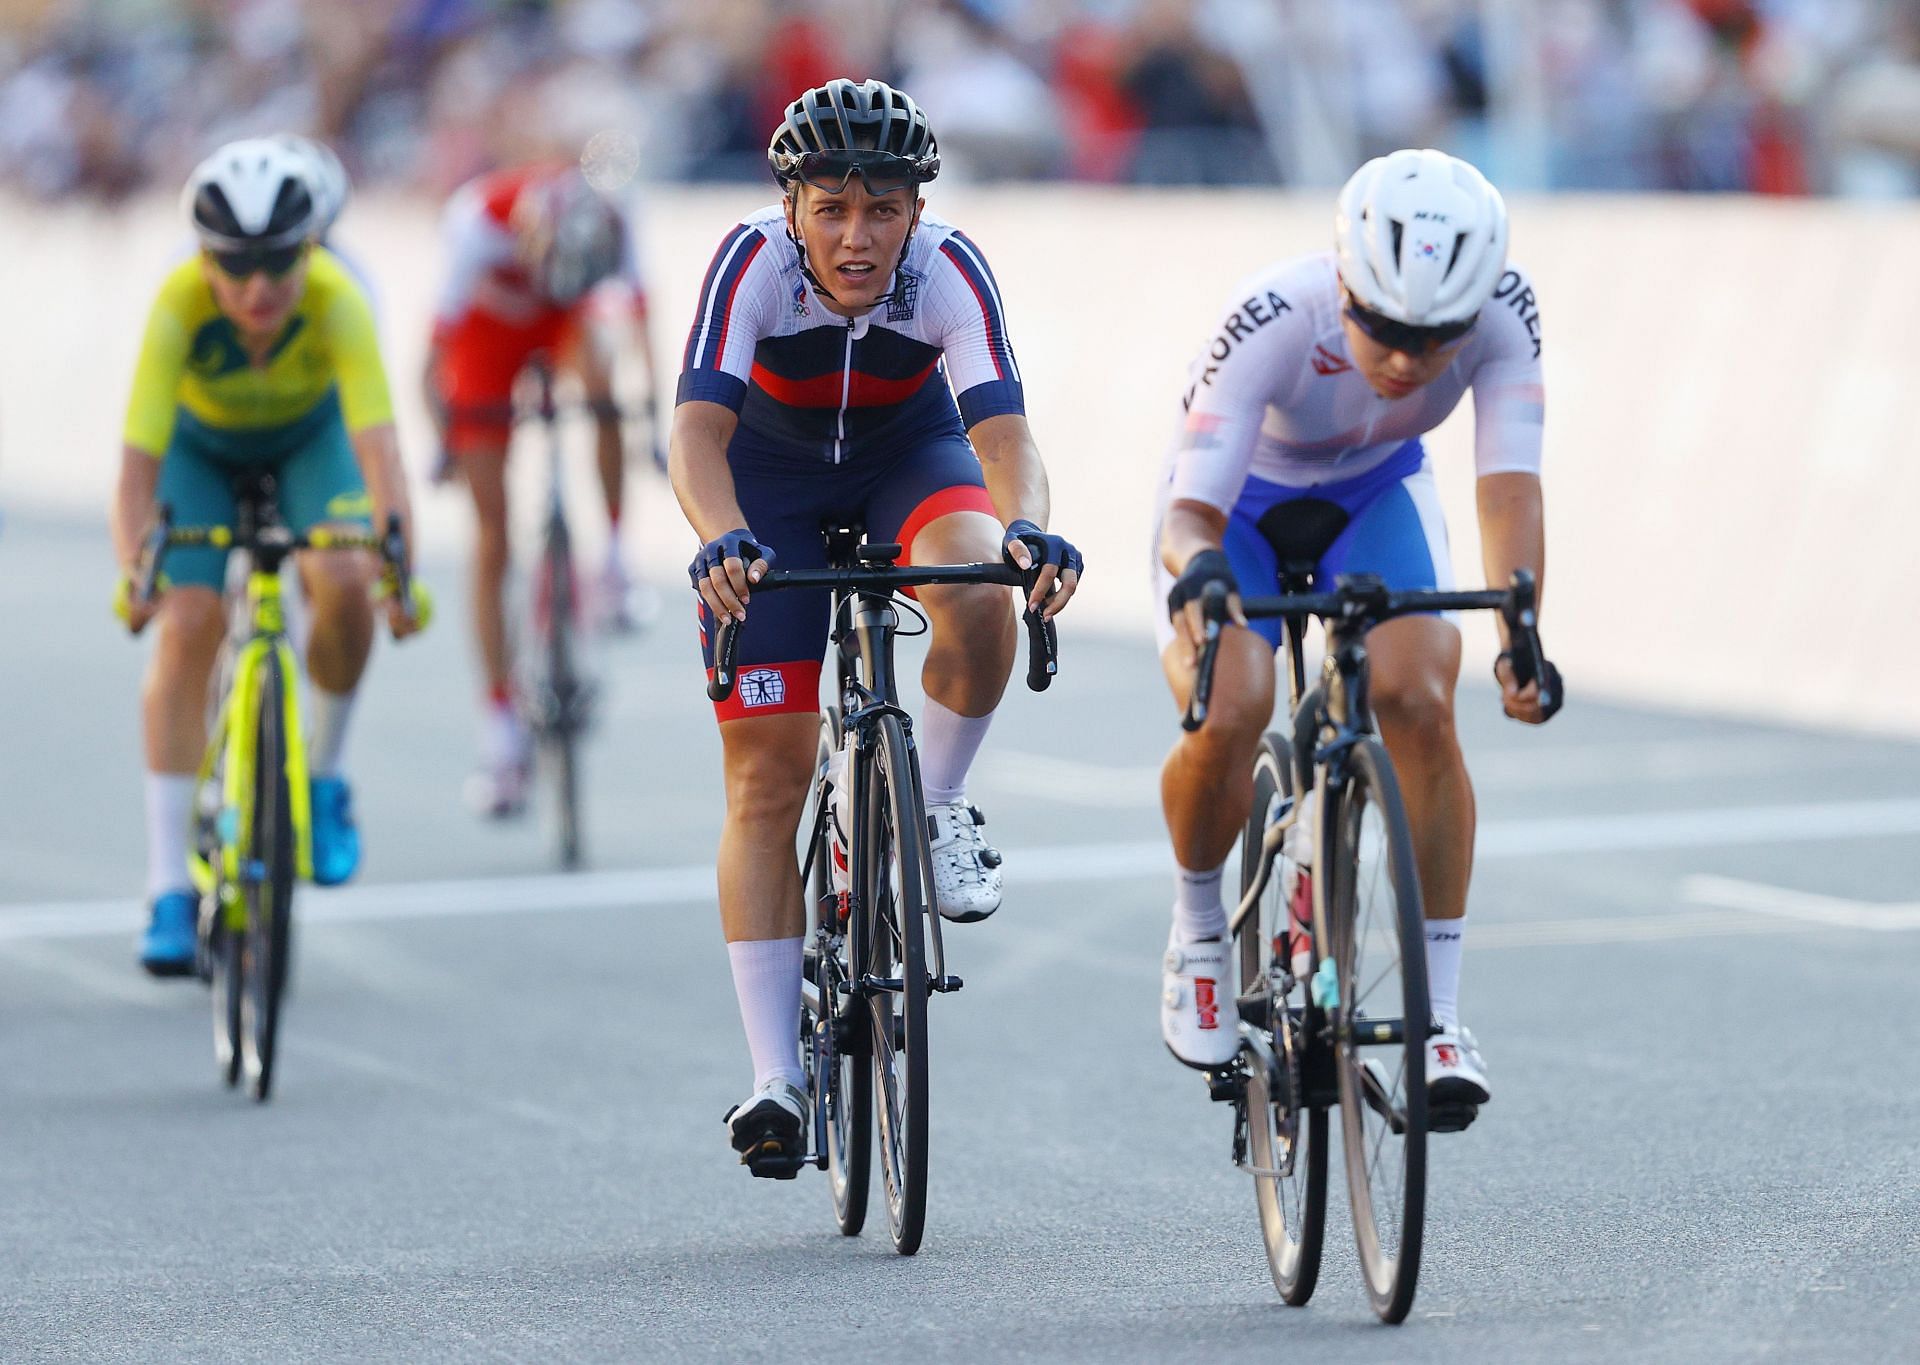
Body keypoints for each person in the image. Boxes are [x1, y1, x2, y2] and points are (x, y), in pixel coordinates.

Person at [670, 78, 1083, 1170]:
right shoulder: (748, 263)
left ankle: (932, 803)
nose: (859, 239)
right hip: (771, 480)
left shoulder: (948, 267)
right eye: (834, 210)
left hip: (909, 455)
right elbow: (696, 435)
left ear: (917, 210)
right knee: (765, 779)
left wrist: (1028, 525)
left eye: (885, 210)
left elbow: (1002, 430)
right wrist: (721, 537)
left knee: (981, 585)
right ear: (792, 206)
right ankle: (776, 1080)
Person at [1154, 148, 1556, 1128]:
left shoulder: (1508, 314)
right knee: (1236, 702)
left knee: (1419, 697)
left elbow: (1508, 486)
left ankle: (1441, 1017)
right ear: (1345, 285)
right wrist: (1200, 582)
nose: (1409, 360)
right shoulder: (1274, 314)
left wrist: (1521, 624)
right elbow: (1187, 519)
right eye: (1384, 327)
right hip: (1237, 507)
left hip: (1379, 491)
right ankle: (1198, 924)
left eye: (1435, 337)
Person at [110, 137, 421, 975]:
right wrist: (135, 567)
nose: (258, 289)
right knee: (188, 621)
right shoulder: (178, 296)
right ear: (204, 258)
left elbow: (381, 452)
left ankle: (323, 778)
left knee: (346, 578)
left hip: (309, 445)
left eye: (279, 265)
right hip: (198, 451)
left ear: (311, 249)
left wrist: (400, 567)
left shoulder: (339, 296)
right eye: (235, 268)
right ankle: (168, 883)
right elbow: (137, 464)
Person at [425, 162, 662, 816]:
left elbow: (643, 317)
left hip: (566, 317)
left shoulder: (614, 217)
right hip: (487, 335)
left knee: (606, 391)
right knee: (493, 530)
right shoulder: (477, 222)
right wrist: (444, 438)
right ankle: (499, 722)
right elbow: (434, 354)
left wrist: (653, 420)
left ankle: (612, 557)